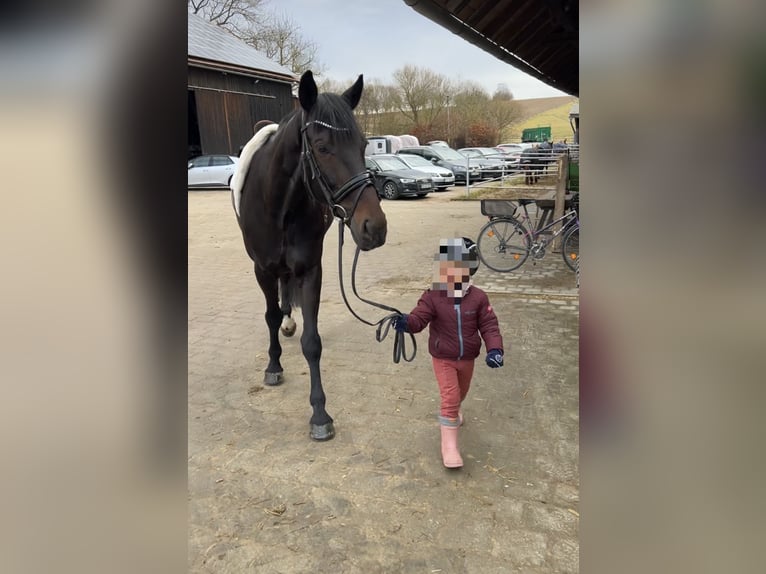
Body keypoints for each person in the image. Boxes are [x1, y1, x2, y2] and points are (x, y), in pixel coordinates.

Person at [393, 238, 504, 469]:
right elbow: (419, 318)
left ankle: (454, 411)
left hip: (468, 359)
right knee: (451, 396)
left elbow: (489, 326)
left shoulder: (479, 297)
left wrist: (495, 349)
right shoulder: (433, 295)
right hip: (443, 358)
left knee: (461, 393)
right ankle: (450, 447)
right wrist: (407, 322)